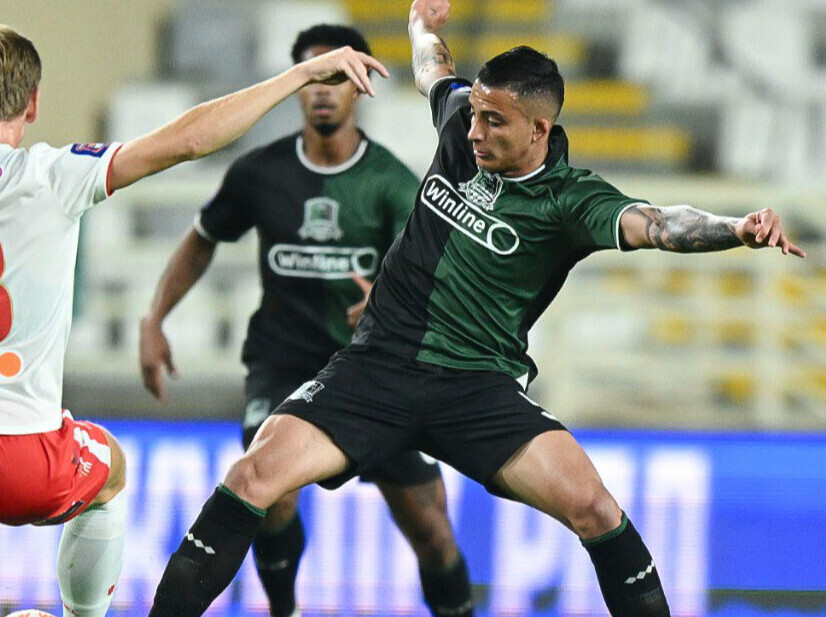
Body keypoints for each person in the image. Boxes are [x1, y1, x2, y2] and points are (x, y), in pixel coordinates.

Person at [143, 0, 807, 616]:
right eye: (475, 114)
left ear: (539, 129)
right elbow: (434, 68)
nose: (475, 129)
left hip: (477, 388)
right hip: (377, 368)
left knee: (596, 510)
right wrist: (420, 25)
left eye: (494, 121)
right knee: (253, 475)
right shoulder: (463, 123)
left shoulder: (572, 200)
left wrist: (735, 228)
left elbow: (658, 223)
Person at [0, 20, 388, 617]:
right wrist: (297, 76)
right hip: (30, 454)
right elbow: (190, 140)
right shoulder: (54, 174)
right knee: (110, 469)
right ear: (32, 104)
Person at [139, 23, 474, 617]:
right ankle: (284, 610)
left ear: (359, 84)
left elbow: (433, 273)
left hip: (373, 371)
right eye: (313, 77)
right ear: (298, 86)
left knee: (433, 532)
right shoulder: (260, 173)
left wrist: (391, 299)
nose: (322, 90)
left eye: (336, 77)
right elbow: (203, 236)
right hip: (282, 365)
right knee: (268, 493)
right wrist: (154, 318)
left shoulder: (392, 182)